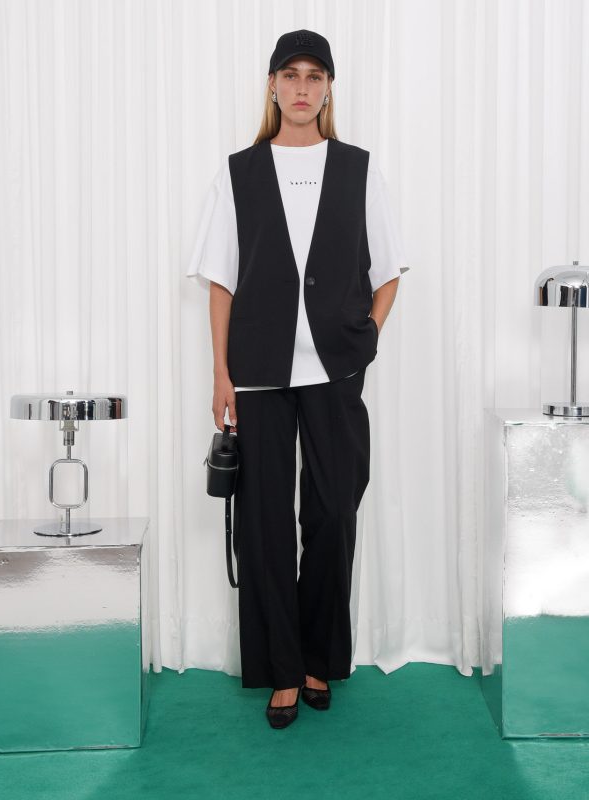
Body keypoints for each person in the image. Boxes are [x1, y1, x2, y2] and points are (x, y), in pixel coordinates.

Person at [187, 29, 409, 729]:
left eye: (315, 75)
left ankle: (319, 658)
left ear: (329, 87)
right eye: (291, 75)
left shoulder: (359, 169)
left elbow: (388, 273)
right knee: (263, 524)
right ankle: (282, 669)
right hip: (257, 372)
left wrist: (365, 339)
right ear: (273, 86)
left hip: (335, 370)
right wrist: (220, 372)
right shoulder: (239, 173)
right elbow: (221, 280)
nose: (303, 88)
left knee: (333, 512)